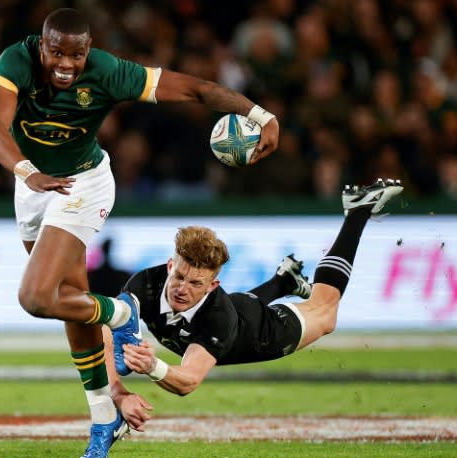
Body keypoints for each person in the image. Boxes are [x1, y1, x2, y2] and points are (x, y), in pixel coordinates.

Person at [0, 7, 280, 458]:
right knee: (70, 302)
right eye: (56, 52)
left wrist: (260, 113)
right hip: (34, 185)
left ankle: (120, 314)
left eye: (76, 55)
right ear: (41, 47)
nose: (66, 63)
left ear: (88, 51)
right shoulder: (14, 62)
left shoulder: (109, 72)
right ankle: (104, 415)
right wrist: (28, 172)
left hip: (82, 184)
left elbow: (196, 89)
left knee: (37, 297)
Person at [106, 178, 403, 432]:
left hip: (260, 330)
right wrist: (119, 394)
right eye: (179, 276)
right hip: (236, 306)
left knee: (325, 312)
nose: (182, 289)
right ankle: (282, 282)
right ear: (170, 264)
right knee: (229, 310)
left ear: (212, 286)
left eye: (196, 284)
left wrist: (153, 366)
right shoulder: (144, 283)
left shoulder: (217, 317)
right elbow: (105, 331)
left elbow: (189, 381)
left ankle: (356, 212)